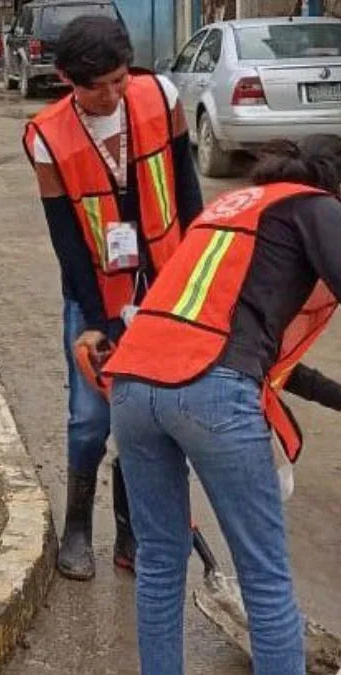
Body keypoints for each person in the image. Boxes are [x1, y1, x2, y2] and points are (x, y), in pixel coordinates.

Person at [103, 135, 341, 674]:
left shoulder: (228, 212)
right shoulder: (314, 206)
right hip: (211, 391)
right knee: (264, 576)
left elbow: (231, 341)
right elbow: (228, 356)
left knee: (161, 563)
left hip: (133, 384)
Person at [22, 15, 203, 581]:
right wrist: (98, 320)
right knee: (90, 416)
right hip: (95, 291)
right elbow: (66, 240)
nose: (110, 96)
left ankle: (132, 532)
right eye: (94, 86)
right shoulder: (47, 137)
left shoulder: (161, 95)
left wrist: (197, 283)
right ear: (65, 79)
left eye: (118, 81)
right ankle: (78, 527)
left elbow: (189, 191)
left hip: (165, 282)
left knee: (146, 413)